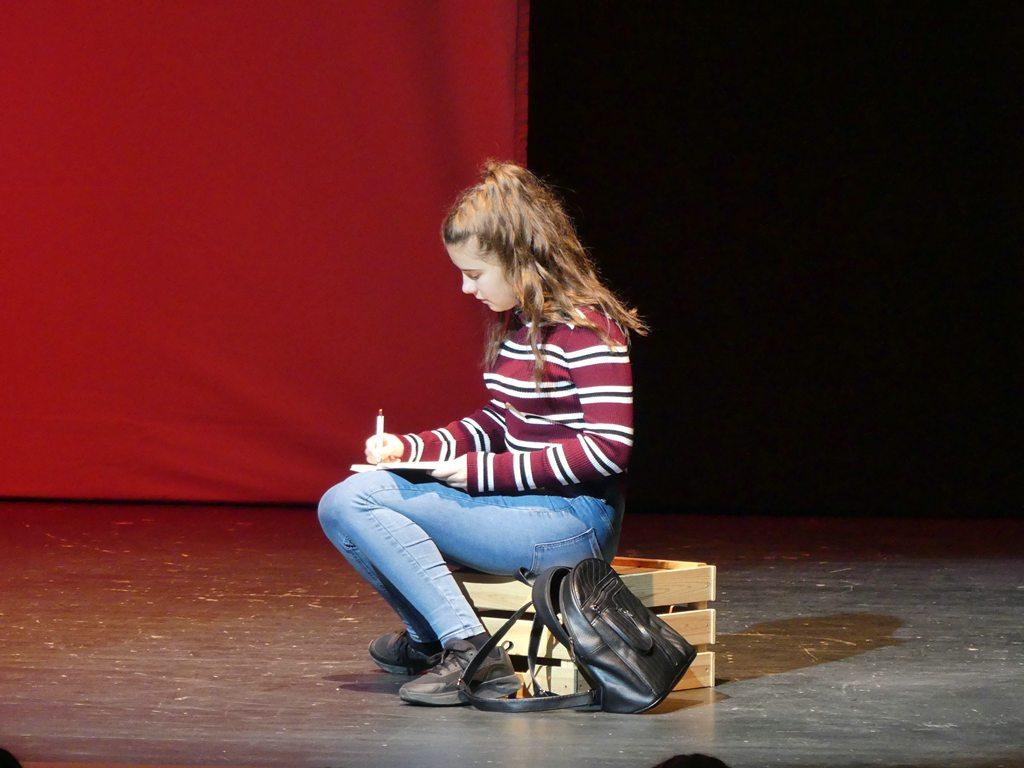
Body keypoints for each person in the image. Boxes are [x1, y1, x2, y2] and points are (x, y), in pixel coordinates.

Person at [317, 161, 648, 706]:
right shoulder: (520, 323)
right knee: (341, 503)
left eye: (475, 273)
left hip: (571, 522)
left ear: (520, 259)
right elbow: (500, 420)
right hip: (519, 509)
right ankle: (432, 641)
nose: (465, 287)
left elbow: (608, 449)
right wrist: (413, 448)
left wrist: (476, 472)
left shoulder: (587, 329)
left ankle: (471, 652)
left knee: (361, 499)